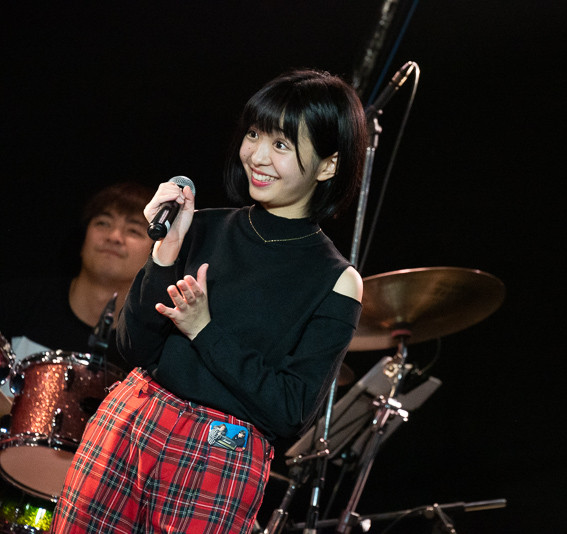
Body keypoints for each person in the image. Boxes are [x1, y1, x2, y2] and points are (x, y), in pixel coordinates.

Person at [50, 68, 368, 534]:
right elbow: (131, 348)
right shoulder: (200, 227)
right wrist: (165, 253)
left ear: (328, 166)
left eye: (281, 144)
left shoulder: (336, 280)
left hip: (219, 452)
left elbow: (291, 411)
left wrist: (204, 329)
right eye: (255, 134)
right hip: (132, 418)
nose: (257, 156)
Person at [0, 181, 155, 405]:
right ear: (83, 241)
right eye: (103, 223)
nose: (114, 236)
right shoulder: (17, 301)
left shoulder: (149, 348)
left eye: (133, 230)